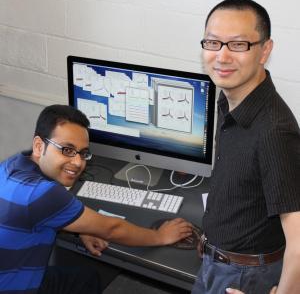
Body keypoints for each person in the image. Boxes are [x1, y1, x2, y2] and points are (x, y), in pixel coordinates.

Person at [0, 104, 192, 294]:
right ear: (39, 145)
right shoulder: (42, 194)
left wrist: (79, 228)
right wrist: (160, 236)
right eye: (67, 149)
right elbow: (112, 229)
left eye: (83, 153)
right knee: (87, 279)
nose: (77, 162)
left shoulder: (10, 166)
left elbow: (29, 215)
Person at [191, 0, 300, 294]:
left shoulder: (274, 129)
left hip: (243, 277)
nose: (222, 57)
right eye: (213, 43)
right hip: (217, 260)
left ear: (265, 50)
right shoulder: (228, 98)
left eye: (238, 45)